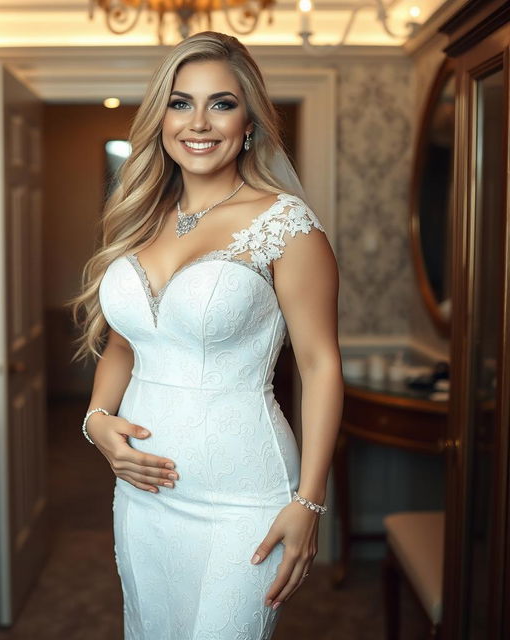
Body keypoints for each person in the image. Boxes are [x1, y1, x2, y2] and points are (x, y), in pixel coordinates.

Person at [69, 30, 344, 640]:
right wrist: (96, 421)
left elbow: (321, 365)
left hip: (245, 500)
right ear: (161, 118)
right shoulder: (141, 218)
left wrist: (309, 500)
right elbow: (124, 342)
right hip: (141, 499)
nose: (199, 122)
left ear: (249, 121)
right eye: (180, 102)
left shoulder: (285, 225)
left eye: (221, 103)